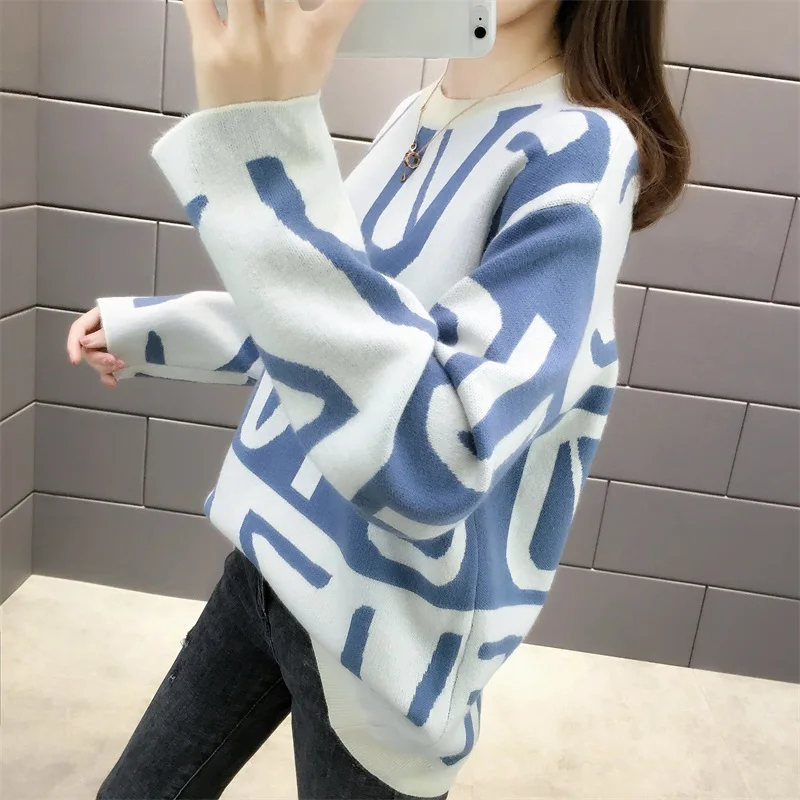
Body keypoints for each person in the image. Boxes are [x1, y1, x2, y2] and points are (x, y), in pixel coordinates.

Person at [66, 1, 690, 798]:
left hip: (383, 641)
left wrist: (259, 144)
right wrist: (153, 332)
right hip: (271, 557)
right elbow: (324, 321)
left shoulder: (580, 150)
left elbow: (439, 457)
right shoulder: (418, 113)